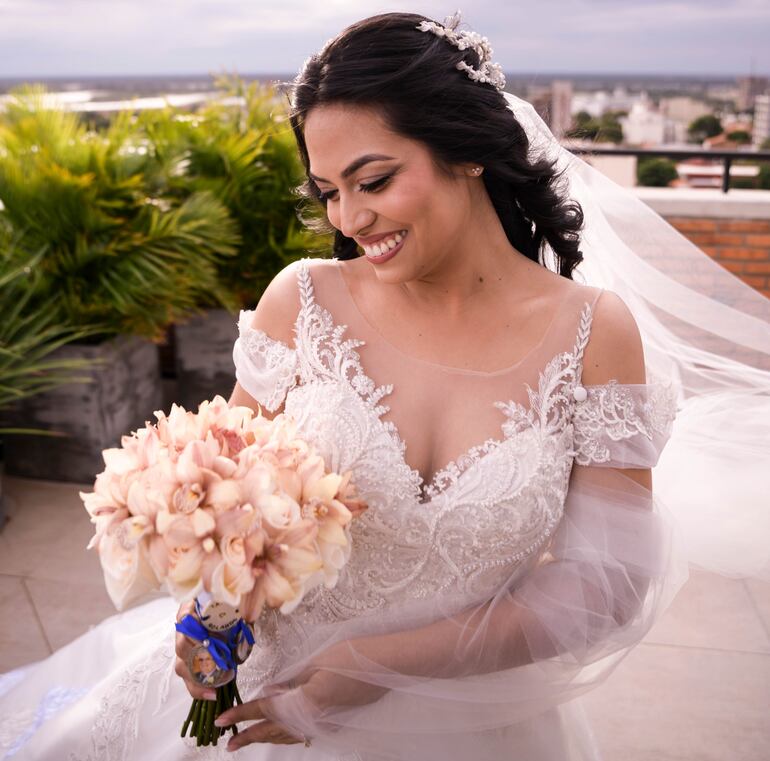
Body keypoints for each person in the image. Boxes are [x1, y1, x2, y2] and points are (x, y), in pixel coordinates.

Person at [1, 10, 768, 761]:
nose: (350, 218)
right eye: (328, 191)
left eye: (373, 180)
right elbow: (220, 497)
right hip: (262, 708)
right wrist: (207, 615)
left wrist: (377, 666)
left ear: (466, 151)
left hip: (476, 728)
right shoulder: (300, 302)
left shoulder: (594, 334)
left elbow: (603, 587)